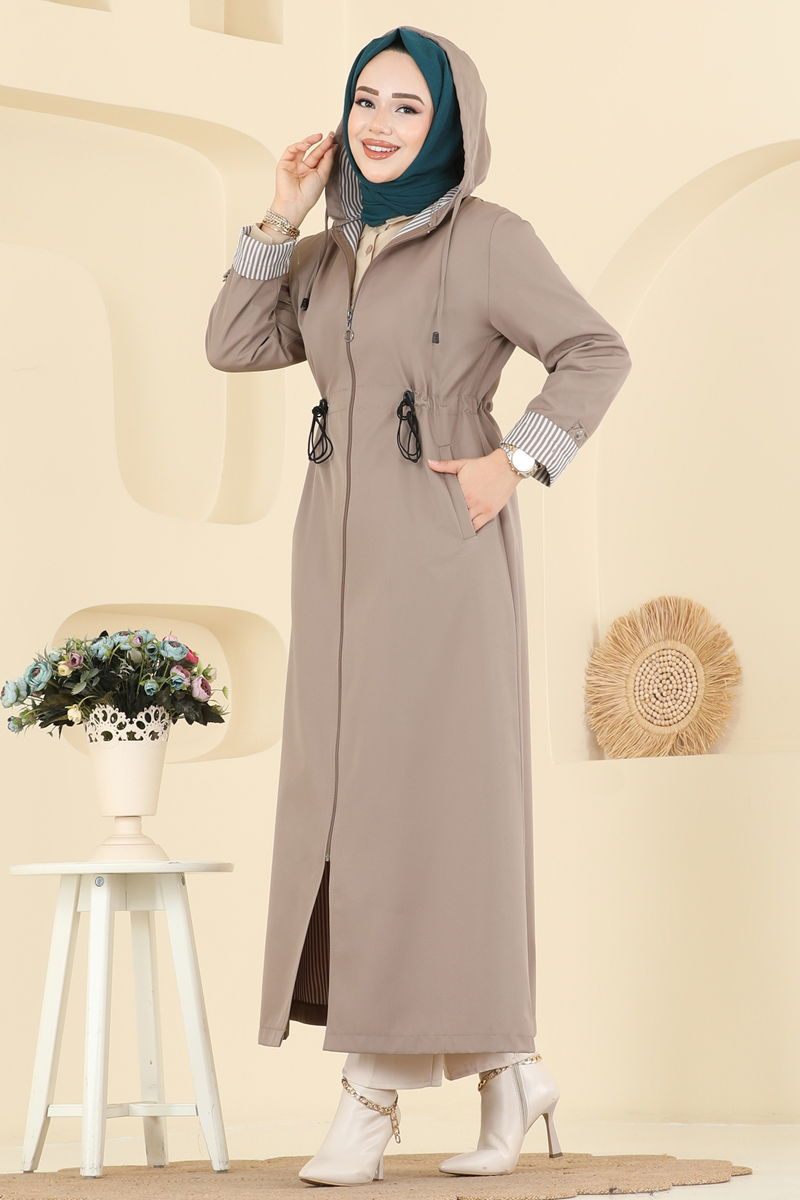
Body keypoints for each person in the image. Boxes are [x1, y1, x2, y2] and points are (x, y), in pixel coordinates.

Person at [206, 24, 632, 1188]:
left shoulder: (491, 239)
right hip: (333, 559)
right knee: (350, 810)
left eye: (406, 105)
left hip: (443, 553)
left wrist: (518, 461)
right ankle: (509, 1071)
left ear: (448, 123)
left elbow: (595, 351)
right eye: (364, 100)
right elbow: (232, 343)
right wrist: (279, 211)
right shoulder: (322, 255)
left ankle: (369, 1095)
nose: (379, 124)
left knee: (433, 816)